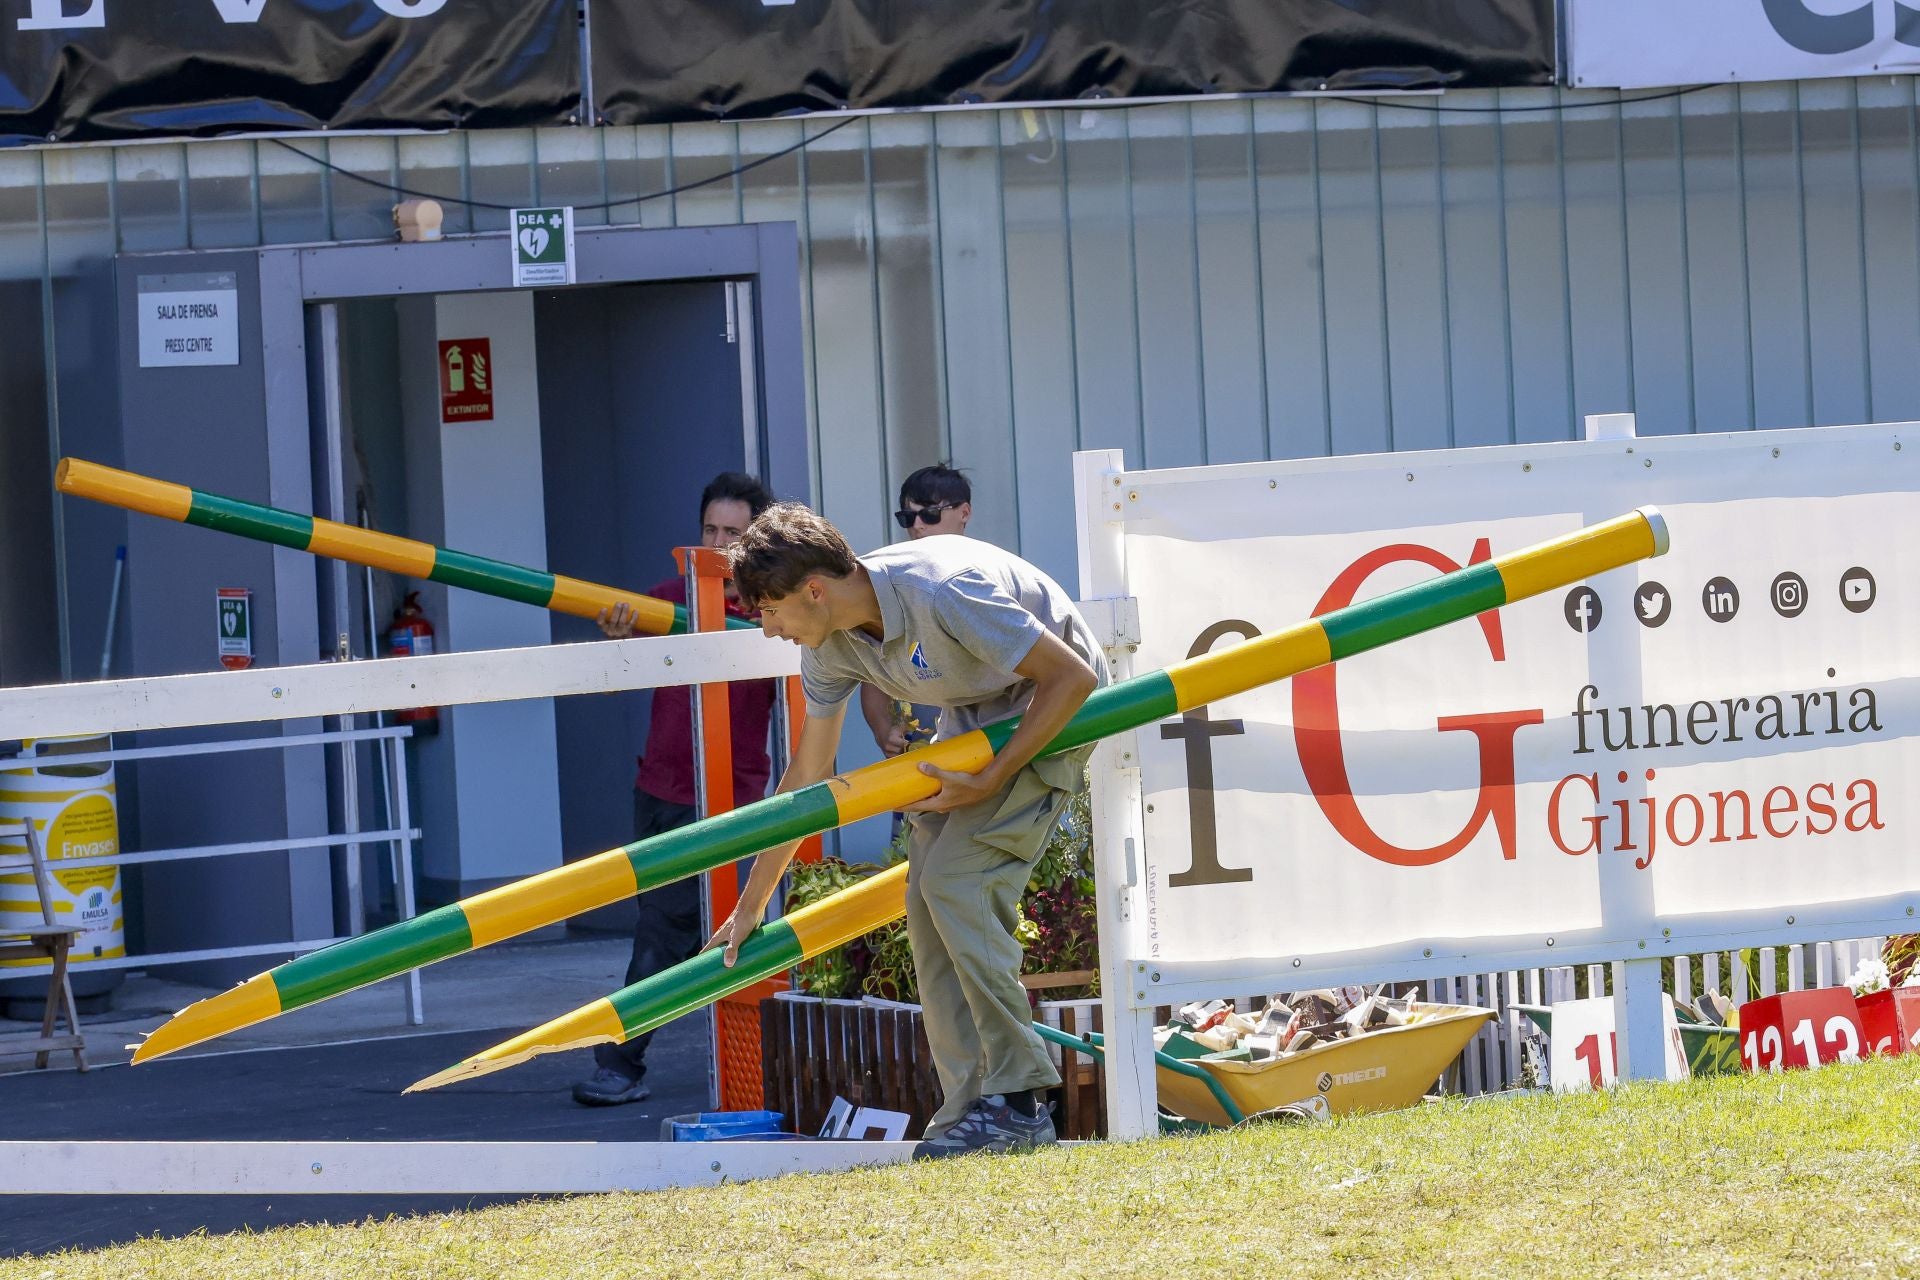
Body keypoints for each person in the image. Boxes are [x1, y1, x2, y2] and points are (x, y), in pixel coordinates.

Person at [709, 503, 1106, 1158]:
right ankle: (973, 1104)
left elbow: (1073, 676)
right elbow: (807, 775)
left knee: (959, 882)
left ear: (815, 589)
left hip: (1051, 707)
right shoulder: (830, 644)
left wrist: (995, 775)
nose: (769, 629)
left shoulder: (942, 592)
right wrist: (751, 905)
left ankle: (1019, 1097)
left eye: (772, 611)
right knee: (923, 903)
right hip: (978, 711)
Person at [571, 471, 779, 1107]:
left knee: (670, 931)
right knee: (674, 927)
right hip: (657, 786)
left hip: (728, 796)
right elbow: (611, 681)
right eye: (710, 530)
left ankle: (623, 1061)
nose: (718, 543)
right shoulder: (668, 600)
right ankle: (744, 1062)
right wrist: (615, 641)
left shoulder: (774, 611)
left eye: (733, 533)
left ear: (758, 541)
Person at [861, 464, 972, 759]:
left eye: (930, 514)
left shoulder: (987, 579)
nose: (918, 525)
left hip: (984, 751)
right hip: (914, 763)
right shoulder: (889, 587)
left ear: (964, 513)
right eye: (908, 517)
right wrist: (883, 730)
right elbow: (873, 678)